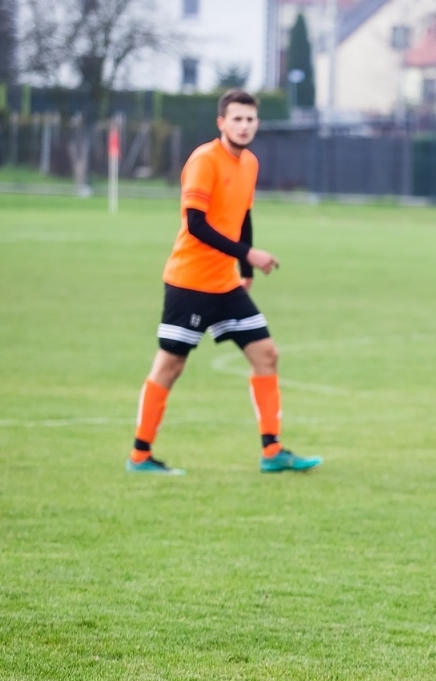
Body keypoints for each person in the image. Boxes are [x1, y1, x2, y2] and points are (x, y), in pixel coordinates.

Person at [127, 89, 321, 475]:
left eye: (250, 119)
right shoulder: (204, 161)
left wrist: (245, 271)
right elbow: (196, 225)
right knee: (170, 366)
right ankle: (140, 456)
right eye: (237, 119)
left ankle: (272, 451)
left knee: (266, 354)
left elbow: (243, 215)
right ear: (222, 123)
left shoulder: (249, 163)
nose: (244, 126)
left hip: (225, 284)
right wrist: (248, 254)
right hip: (189, 283)